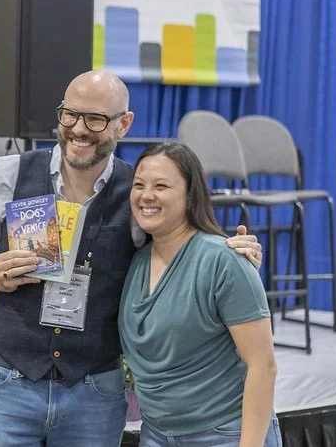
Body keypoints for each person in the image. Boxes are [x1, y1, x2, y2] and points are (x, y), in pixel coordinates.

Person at [0, 69, 264, 446]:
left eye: (95, 119)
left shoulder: (138, 193)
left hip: (94, 391)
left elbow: (185, 243)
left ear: (124, 124)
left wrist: (232, 248)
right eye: (70, 114)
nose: (79, 128)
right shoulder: (9, 174)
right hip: (7, 382)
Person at [119, 141, 280, 446]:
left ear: (190, 195)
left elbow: (263, 366)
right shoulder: (137, 260)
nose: (146, 195)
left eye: (161, 186)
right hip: (156, 434)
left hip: (224, 434)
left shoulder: (224, 259)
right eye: (139, 185)